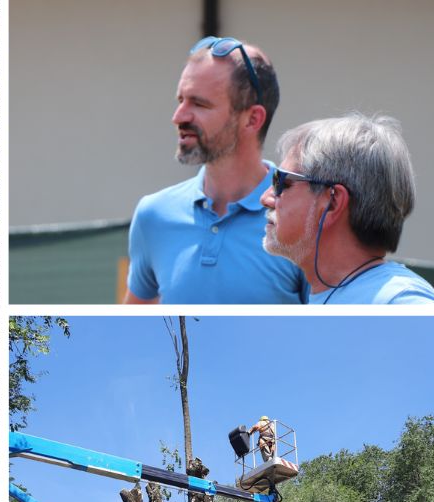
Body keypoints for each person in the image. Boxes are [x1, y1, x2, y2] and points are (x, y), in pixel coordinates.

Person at [125, 36, 305, 304]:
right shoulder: (153, 215)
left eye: (199, 104)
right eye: (181, 100)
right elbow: (133, 330)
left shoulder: (305, 219)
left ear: (252, 119)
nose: (179, 116)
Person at [260, 113, 434, 305]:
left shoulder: (401, 303)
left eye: (282, 182)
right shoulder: (345, 293)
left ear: (332, 203)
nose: (265, 198)